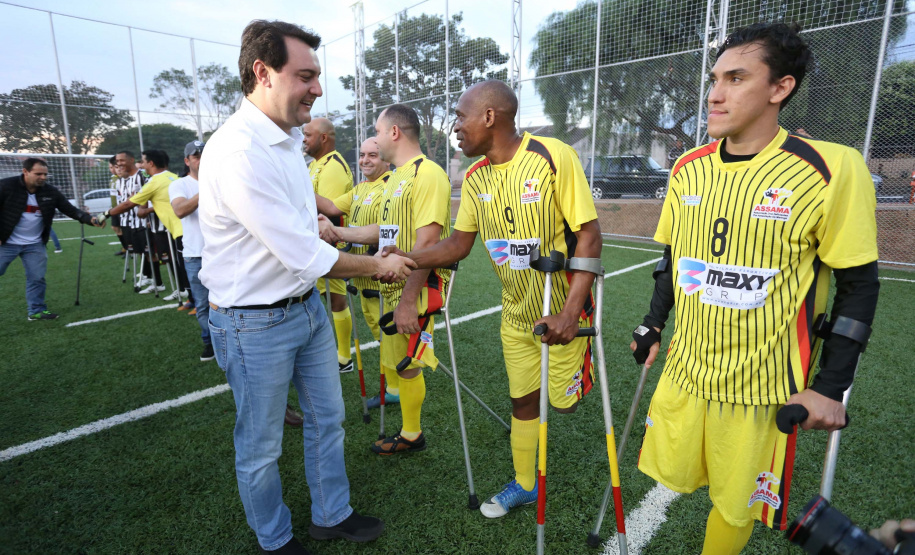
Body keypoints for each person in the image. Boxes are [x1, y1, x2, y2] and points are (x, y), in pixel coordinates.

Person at [629, 23, 880, 554]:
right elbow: (674, 258)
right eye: (715, 79)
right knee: (670, 476)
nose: (715, 94)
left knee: (735, 504)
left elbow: (858, 286)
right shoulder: (686, 168)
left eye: (736, 78)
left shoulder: (832, 168)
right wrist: (652, 324)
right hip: (686, 370)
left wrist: (830, 388)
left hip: (762, 390)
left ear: (780, 88)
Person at [197, 20, 415, 554]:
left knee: (328, 419)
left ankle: (330, 514)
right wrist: (377, 265)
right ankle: (274, 539)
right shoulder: (239, 151)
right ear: (262, 73)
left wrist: (321, 225)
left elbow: (301, 228)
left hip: (305, 309)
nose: (318, 89)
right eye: (306, 75)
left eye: (317, 76)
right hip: (253, 321)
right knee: (262, 446)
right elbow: (302, 253)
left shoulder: (289, 138)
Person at [380, 80, 602, 515]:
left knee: (563, 404)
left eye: (460, 117)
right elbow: (458, 244)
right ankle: (525, 483)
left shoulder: (553, 156)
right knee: (522, 400)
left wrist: (570, 313)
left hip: (561, 312)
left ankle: (574, 373)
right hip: (517, 312)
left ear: (489, 116)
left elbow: (589, 236)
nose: (455, 127)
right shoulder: (476, 176)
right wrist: (409, 256)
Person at [318, 103, 452, 456]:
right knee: (398, 362)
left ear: (394, 132)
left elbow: (428, 243)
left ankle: (412, 434)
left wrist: (409, 300)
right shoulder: (397, 177)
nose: (375, 140)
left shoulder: (428, 174)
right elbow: (384, 231)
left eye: (377, 132)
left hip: (418, 288)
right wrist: (337, 231)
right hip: (392, 285)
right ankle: (409, 429)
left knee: (409, 362)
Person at [314, 137, 396, 408]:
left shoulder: (392, 187)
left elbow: (383, 229)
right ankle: (395, 383)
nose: (364, 160)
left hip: (382, 276)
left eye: (372, 155)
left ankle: (396, 386)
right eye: (362, 155)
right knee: (378, 331)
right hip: (362, 277)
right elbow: (332, 207)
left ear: (386, 158)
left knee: (389, 333)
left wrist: (336, 230)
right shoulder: (361, 188)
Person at [0, 158, 104, 320]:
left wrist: (90, 220)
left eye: (45, 174)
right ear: (25, 172)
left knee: (37, 278)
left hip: (35, 244)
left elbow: (70, 209)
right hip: (6, 243)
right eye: (38, 174)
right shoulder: (6, 186)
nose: (43, 177)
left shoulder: (50, 191)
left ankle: (36, 311)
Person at [101, 149, 189, 303]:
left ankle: (195, 299)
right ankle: (189, 295)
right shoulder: (173, 177)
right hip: (184, 227)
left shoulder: (154, 182)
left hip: (176, 228)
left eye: (143, 161)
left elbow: (129, 204)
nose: (141, 164)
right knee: (185, 263)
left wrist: (105, 214)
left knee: (184, 264)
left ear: (151, 163)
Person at [304, 117, 355, 373]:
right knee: (321, 298)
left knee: (336, 298)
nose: (303, 139)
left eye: (308, 134)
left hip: (330, 244)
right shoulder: (314, 165)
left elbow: (331, 212)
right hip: (312, 244)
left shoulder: (333, 165)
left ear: (323, 138)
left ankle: (344, 358)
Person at [169, 140, 214, 361]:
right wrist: (207, 189)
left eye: (205, 154)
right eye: (197, 156)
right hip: (196, 254)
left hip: (222, 252)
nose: (202, 159)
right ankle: (210, 343)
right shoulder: (179, 185)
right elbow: (180, 210)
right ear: (187, 161)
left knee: (230, 300)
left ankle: (228, 341)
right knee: (203, 303)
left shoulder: (220, 179)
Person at [114, 150, 162, 293]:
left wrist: (147, 214)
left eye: (122, 160)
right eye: (117, 161)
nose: (119, 164)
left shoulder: (142, 176)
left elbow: (149, 196)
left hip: (143, 221)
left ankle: (158, 282)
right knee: (141, 251)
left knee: (150, 252)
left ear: (131, 160)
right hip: (129, 222)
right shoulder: (122, 180)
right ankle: (148, 276)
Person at [108, 155, 129, 257]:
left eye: (114, 167)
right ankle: (125, 247)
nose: (112, 170)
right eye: (111, 168)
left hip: (121, 208)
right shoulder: (113, 179)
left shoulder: (123, 180)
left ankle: (128, 248)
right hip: (115, 208)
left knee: (124, 228)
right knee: (115, 227)